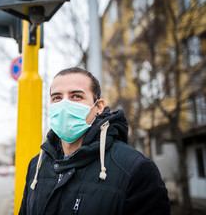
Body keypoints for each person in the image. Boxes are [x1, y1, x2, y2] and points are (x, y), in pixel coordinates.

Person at [19, 67, 170, 215]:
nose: (64, 105)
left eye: (76, 96)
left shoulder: (135, 168)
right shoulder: (35, 166)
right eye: (57, 97)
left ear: (98, 107)